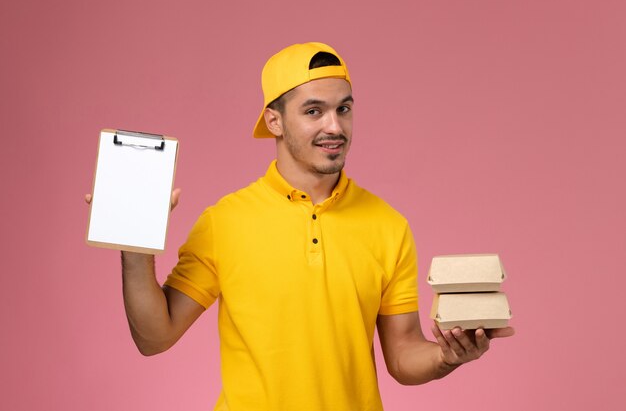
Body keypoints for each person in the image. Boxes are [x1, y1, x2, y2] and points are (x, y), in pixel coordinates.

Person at [87, 42, 514, 411]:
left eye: (343, 109)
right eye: (314, 111)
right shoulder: (225, 221)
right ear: (274, 121)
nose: (335, 126)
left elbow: (402, 355)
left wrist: (448, 355)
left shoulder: (388, 225)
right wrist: (135, 243)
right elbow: (154, 337)